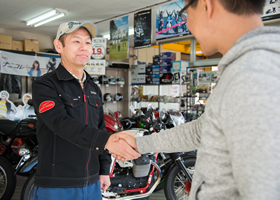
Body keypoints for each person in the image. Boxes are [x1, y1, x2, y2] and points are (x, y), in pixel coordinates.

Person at [114, 0, 280, 199]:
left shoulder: (251, 76)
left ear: (206, 6)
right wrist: (141, 144)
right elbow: (200, 130)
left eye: (185, 14)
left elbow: (265, 189)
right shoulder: (249, 69)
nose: (188, 25)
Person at [31, 21, 140, 200]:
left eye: (88, 43)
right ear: (59, 46)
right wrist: (108, 141)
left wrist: (104, 170)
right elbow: (60, 123)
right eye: (76, 42)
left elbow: (100, 128)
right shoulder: (45, 85)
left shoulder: (93, 87)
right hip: (58, 183)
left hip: (91, 183)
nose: (84, 47)